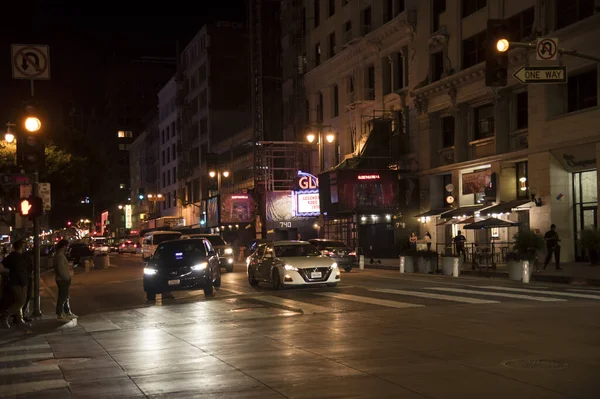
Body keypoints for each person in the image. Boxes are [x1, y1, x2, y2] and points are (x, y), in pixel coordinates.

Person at [0, 240, 31, 328]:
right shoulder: (19, 257)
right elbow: (20, 271)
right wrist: (24, 283)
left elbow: (2, 266)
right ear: (21, 247)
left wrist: (8, 272)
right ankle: (6, 315)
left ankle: (19, 320)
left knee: (18, 301)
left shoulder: (11, 256)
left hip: (14, 282)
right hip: (19, 283)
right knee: (21, 302)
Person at [54, 240, 77, 321]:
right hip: (62, 280)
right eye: (66, 246)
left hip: (63, 279)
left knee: (66, 296)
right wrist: (67, 278)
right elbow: (61, 270)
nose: (67, 248)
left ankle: (67, 312)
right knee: (63, 297)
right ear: (64, 246)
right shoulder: (60, 256)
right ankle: (59, 314)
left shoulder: (59, 255)